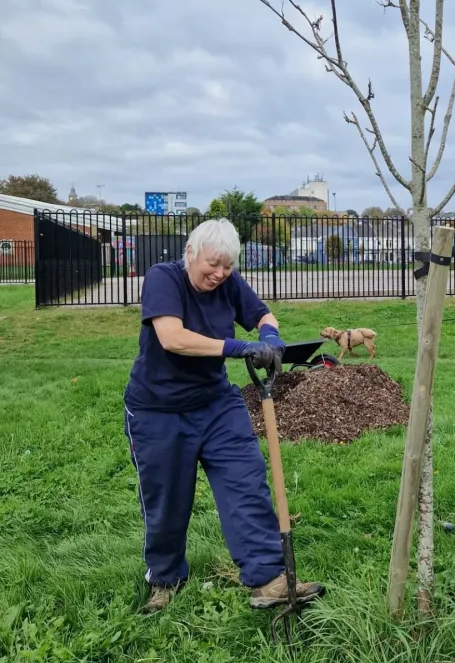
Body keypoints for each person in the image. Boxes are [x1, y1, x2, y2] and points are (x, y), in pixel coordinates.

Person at [123, 218, 325, 613]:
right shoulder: (163, 278)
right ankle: (165, 578)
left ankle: (269, 578)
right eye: (213, 264)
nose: (220, 274)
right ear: (190, 254)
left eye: (228, 266)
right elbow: (173, 338)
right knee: (167, 500)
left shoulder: (228, 282)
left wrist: (270, 337)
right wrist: (239, 347)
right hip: (158, 410)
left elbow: (262, 314)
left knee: (246, 482)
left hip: (216, 404)